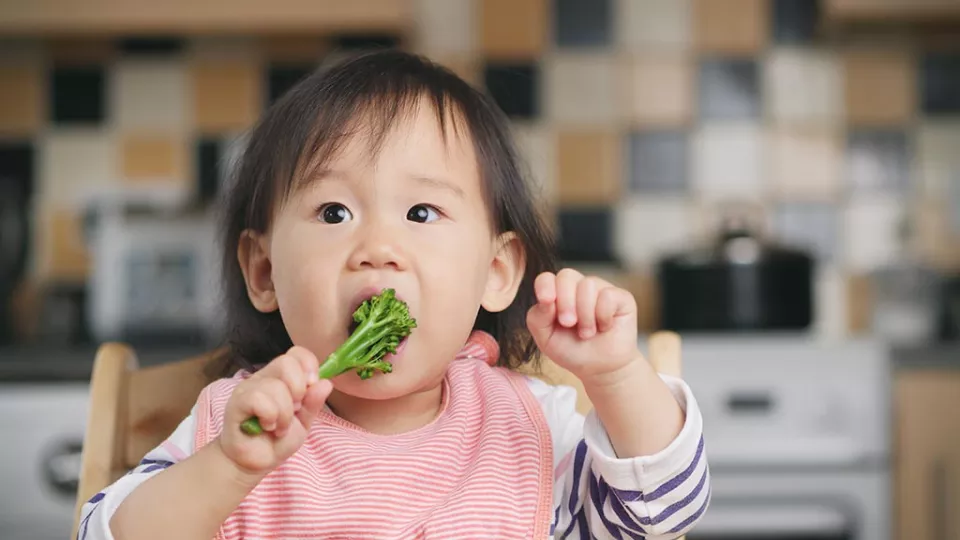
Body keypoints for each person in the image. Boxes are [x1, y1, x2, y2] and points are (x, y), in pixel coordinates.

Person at [77, 50, 709, 540]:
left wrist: (618, 376)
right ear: (264, 272)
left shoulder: (529, 426)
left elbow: (661, 511)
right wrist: (230, 467)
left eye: (422, 212)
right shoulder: (232, 425)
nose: (377, 246)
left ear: (496, 271)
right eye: (332, 213)